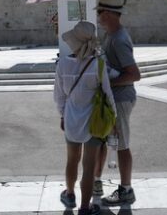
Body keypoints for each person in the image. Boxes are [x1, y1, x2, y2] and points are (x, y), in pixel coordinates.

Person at [54, 21, 116, 215]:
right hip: (94, 123)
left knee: (72, 160)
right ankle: (84, 207)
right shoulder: (98, 64)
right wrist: (113, 120)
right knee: (88, 167)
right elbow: (108, 94)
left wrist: (63, 115)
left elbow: (59, 96)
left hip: (72, 120)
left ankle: (70, 193)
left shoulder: (63, 63)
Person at [93, 0, 141, 206]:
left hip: (121, 99)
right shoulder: (110, 36)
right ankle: (97, 182)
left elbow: (134, 74)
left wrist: (108, 84)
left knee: (122, 145)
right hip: (114, 98)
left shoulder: (120, 39)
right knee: (106, 141)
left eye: (99, 11)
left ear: (110, 14)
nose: (98, 15)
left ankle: (126, 190)